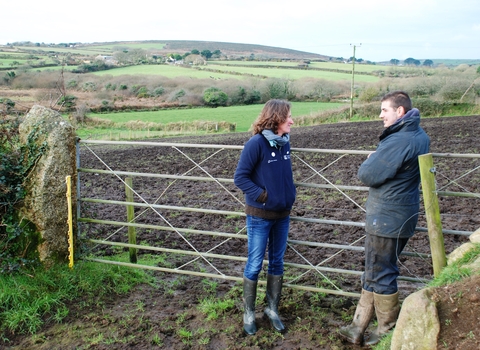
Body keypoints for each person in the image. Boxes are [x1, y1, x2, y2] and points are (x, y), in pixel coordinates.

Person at [339, 91, 430, 346]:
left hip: (387, 217)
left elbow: (368, 175)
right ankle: (357, 328)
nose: (380, 115)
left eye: (384, 110)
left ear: (399, 112)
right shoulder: (419, 135)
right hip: (400, 213)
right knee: (374, 270)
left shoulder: (399, 140)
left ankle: (386, 331)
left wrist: (371, 160)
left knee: (381, 273)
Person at [234, 99, 296, 335]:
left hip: (282, 214)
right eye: (288, 116)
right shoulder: (256, 144)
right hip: (260, 215)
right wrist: (263, 196)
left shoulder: (284, 144)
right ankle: (249, 313)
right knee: (255, 263)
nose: (292, 120)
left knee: (277, 261)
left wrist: (289, 195)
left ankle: (272, 310)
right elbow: (240, 178)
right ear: (277, 118)